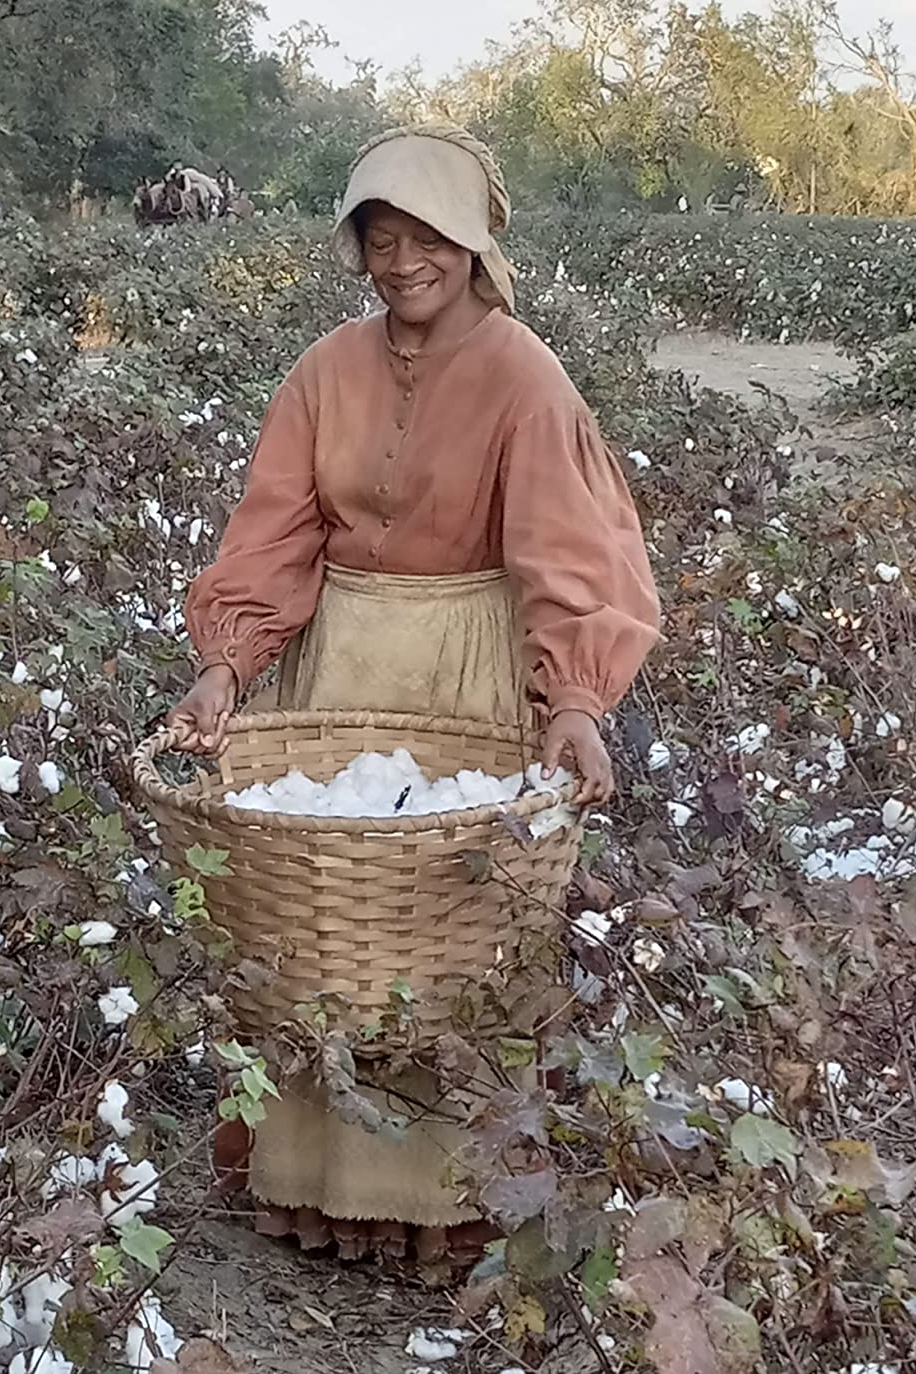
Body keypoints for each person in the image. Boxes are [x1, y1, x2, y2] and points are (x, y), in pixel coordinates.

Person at [170, 123, 660, 1259]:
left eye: (427, 236)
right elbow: (272, 534)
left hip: (462, 677)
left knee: (443, 936)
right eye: (379, 237)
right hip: (338, 674)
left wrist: (575, 703)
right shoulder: (323, 372)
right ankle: (315, 1189)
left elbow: (570, 557)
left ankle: (439, 1209)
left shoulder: (524, 377)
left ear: (475, 241)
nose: (402, 262)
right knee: (319, 925)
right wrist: (223, 670)